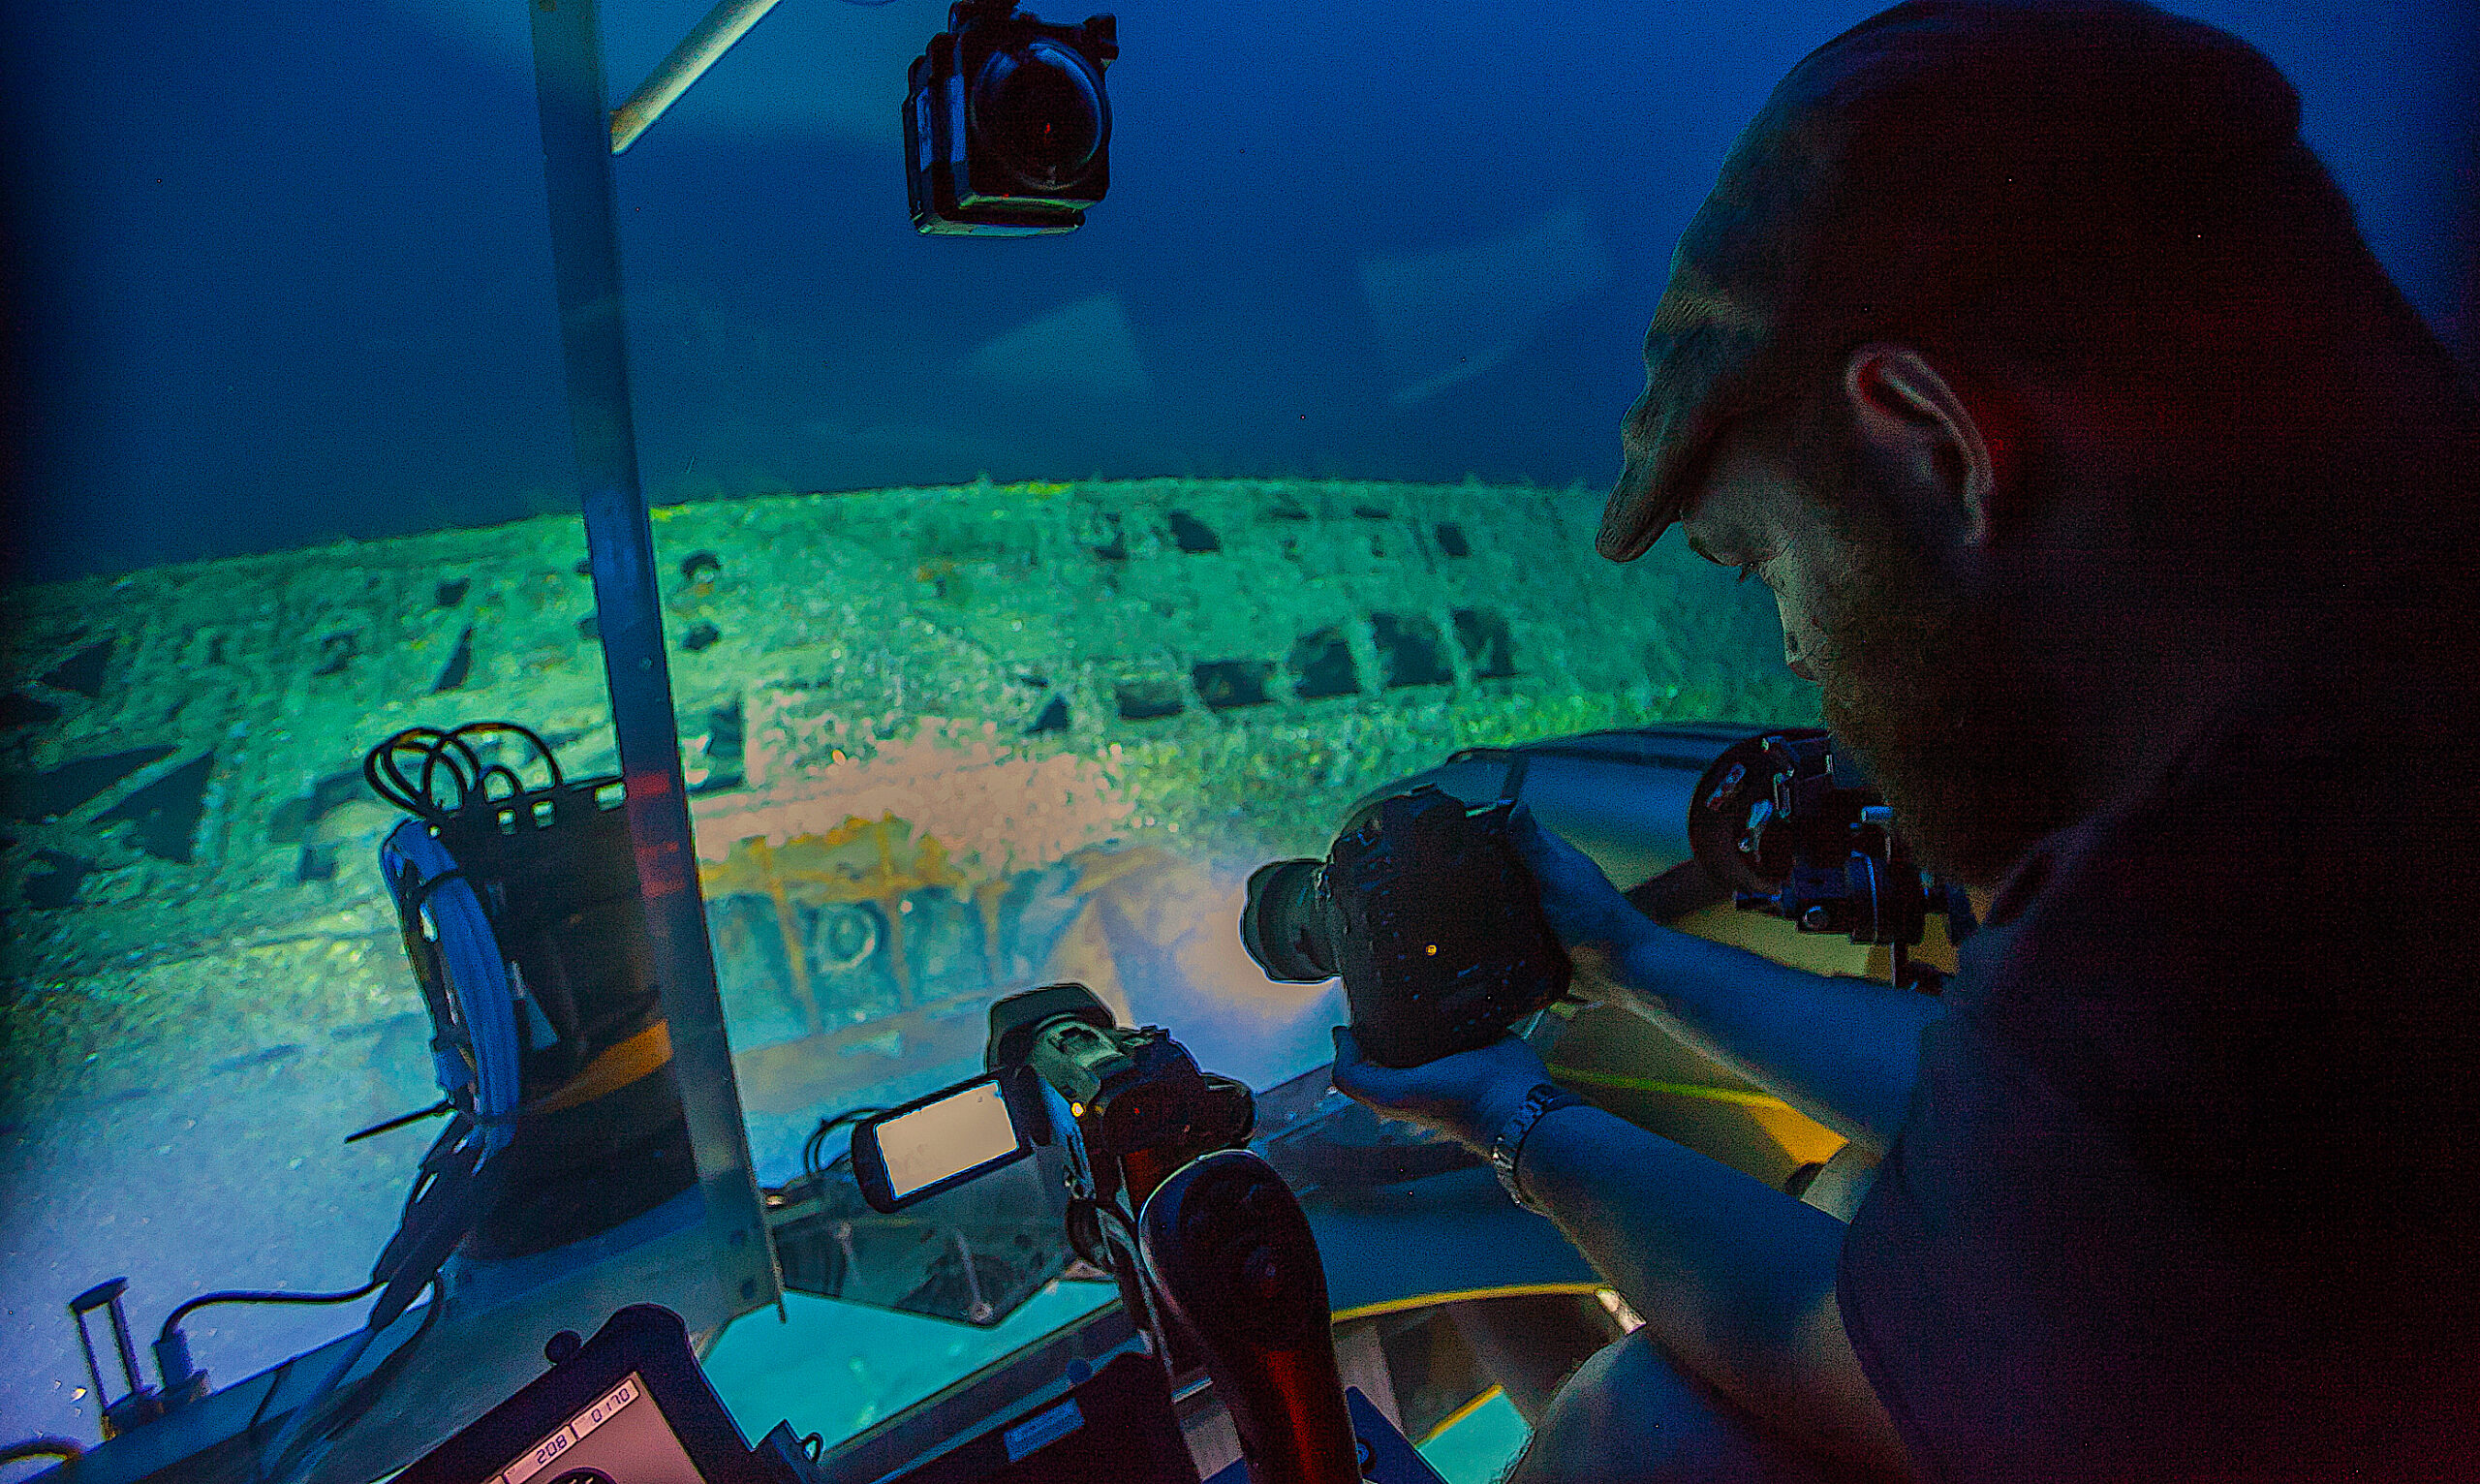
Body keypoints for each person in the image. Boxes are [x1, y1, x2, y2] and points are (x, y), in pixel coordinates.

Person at [1329, 2, 2480, 1478]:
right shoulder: (2331, 782)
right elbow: (2020, 1091)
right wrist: (1630, 952)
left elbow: (1845, 1353)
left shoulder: (2210, 931)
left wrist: (1512, 1117)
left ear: (1936, 437)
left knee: (1647, 1433)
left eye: (1769, 569)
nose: (1798, 655)